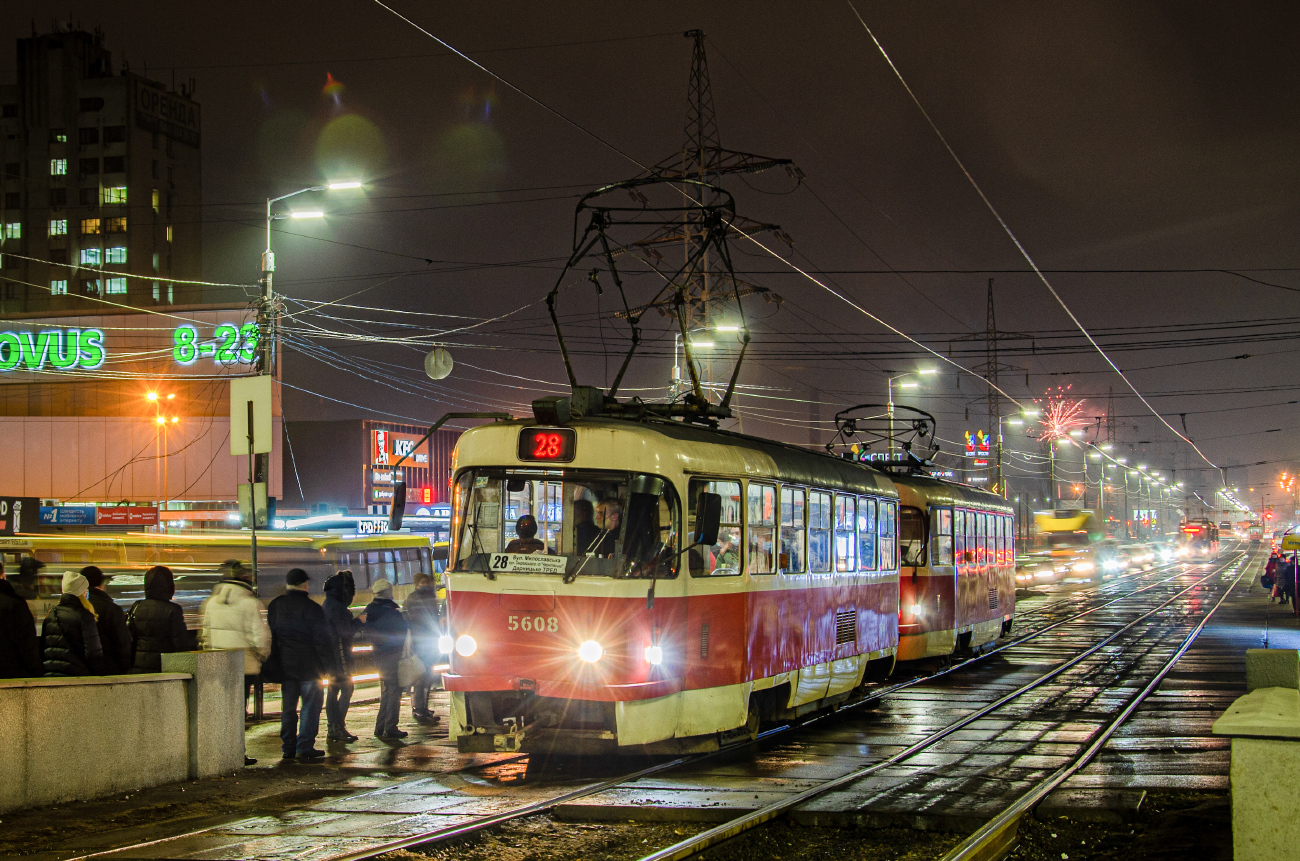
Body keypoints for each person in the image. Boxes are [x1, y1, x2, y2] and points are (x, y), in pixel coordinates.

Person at [267, 568, 335, 761]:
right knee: (310, 708)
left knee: (288, 709)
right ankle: (304, 746)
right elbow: (321, 640)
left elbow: (273, 635)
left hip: (286, 666)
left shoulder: (275, 605)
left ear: (287, 583)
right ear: (305, 584)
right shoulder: (312, 608)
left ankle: (288, 747)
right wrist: (328, 666)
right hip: (310, 667)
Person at [199, 560, 271, 711]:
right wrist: (262, 655)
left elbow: (205, 633)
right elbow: (259, 635)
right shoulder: (251, 603)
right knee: (239, 702)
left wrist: (210, 651)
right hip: (244, 662)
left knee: (222, 700)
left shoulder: (210, 603)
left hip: (218, 660)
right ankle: (238, 731)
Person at [363, 578, 409, 739]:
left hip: (379, 656)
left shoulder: (370, 612)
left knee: (388, 691)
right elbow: (400, 633)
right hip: (391, 656)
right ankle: (390, 727)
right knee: (393, 692)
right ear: (388, 593)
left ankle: (381, 726)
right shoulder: (390, 612)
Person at [322, 570, 362, 742]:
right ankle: (337, 726)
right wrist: (359, 621)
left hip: (329, 654)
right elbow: (346, 631)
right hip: (340, 654)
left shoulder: (328, 604)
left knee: (333, 690)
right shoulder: (338, 607)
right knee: (347, 688)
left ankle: (333, 727)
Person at [127, 566, 190, 673]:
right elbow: (180, 645)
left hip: (137, 668)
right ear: (169, 586)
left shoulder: (136, 607)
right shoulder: (173, 610)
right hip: (164, 669)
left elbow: (128, 638)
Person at [42, 572, 105, 677]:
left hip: (52, 674)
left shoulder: (51, 614)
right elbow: (94, 654)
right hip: (76, 675)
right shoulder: (85, 617)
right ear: (81, 593)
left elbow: (44, 647)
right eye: (85, 590)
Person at [403, 573, 442, 724]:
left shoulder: (430, 598)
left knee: (428, 676)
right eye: (423, 582)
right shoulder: (414, 599)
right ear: (416, 583)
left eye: (427, 582)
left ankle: (423, 707)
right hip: (420, 642)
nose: (426, 584)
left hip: (430, 641)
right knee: (420, 676)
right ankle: (418, 708)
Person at [83, 566, 132, 674]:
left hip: (82, 671)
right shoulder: (112, 610)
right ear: (101, 585)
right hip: (109, 670)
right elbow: (124, 645)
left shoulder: (75, 607)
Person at [0, 558, 41, 679]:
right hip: (10, 675)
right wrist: (37, 673)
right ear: (3, 575)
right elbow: (27, 645)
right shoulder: (16, 604)